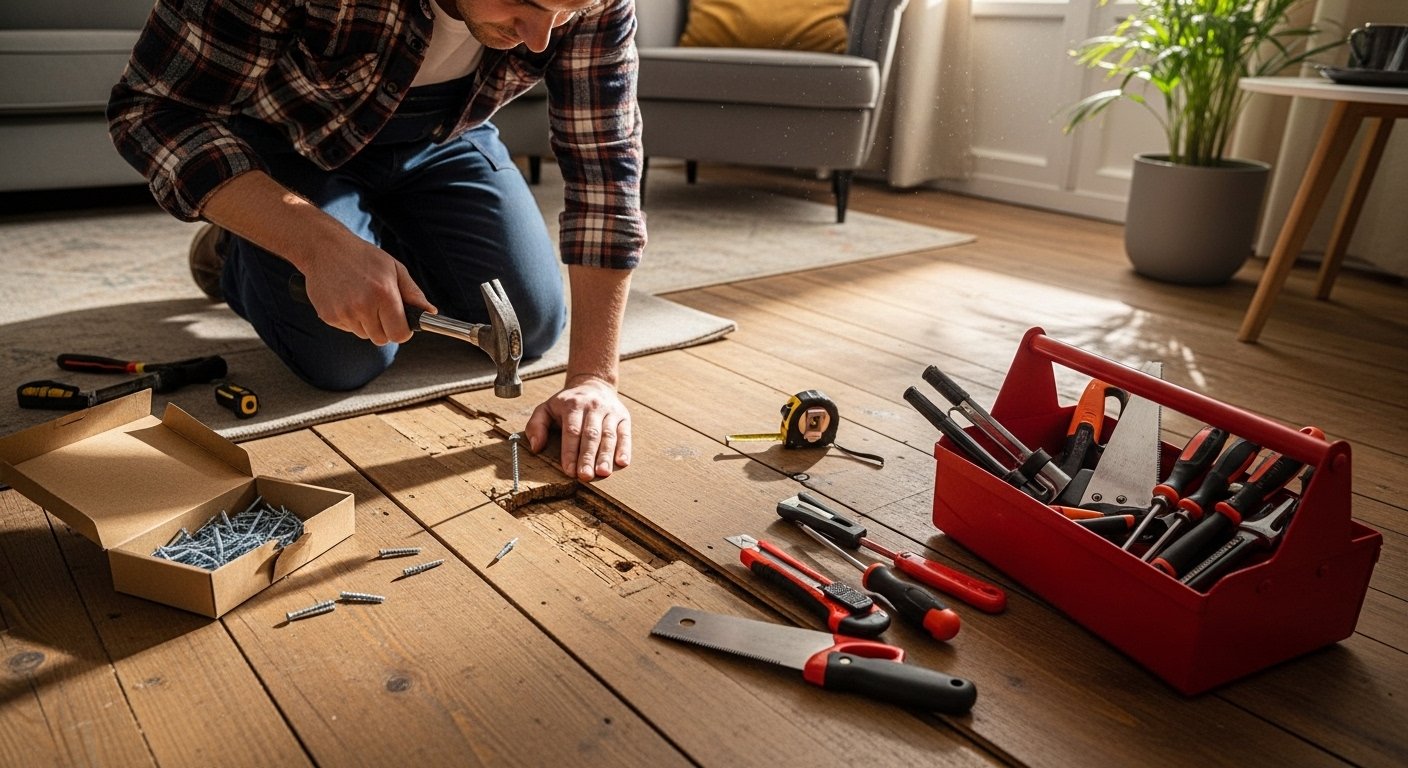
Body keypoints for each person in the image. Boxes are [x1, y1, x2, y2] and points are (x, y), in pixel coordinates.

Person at [108, 0, 642, 482]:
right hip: (293, 144)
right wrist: (317, 246)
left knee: (535, 321)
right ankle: (235, 244)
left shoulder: (591, 2)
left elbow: (604, 169)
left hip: (444, 139)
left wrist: (596, 377)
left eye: (565, 12)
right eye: (522, 3)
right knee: (346, 357)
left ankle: (379, 239)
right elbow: (153, 110)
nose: (540, 39)